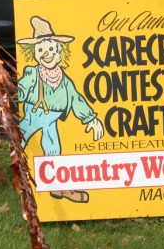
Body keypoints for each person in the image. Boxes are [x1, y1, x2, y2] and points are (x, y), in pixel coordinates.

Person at [16, 16, 105, 203]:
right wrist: (15, 96)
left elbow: (76, 99)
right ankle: (18, 177)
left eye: (50, 49)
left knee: (53, 149)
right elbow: (23, 88)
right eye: (40, 49)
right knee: (19, 141)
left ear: (59, 52)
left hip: (52, 120)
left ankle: (56, 187)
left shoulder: (64, 79)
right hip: (33, 115)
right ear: (35, 54)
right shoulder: (33, 73)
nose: (46, 53)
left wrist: (91, 119)